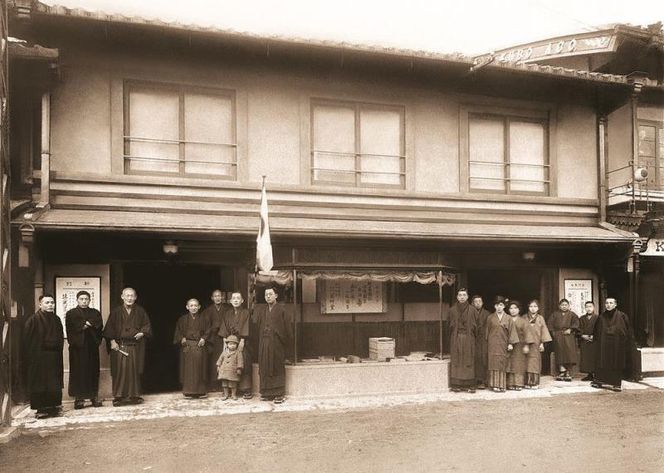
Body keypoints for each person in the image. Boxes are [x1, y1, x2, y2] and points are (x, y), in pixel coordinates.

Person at [102, 287, 152, 406]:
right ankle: (119, 396)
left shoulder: (140, 311)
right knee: (119, 371)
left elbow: (147, 325)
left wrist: (143, 332)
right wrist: (112, 341)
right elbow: (109, 328)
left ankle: (134, 395)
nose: (129, 298)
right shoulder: (116, 312)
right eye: (127, 296)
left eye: (132, 296)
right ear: (122, 297)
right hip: (119, 346)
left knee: (133, 371)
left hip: (135, 346)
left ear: (135, 297)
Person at [23, 294, 64, 419]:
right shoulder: (33, 320)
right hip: (39, 357)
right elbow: (27, 340)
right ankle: (40, 409)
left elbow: (60, 336)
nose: (50, 305)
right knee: (40, 383)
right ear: (40, 304)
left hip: (54, 357)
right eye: (47, 303)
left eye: (52, 302)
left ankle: (53, 407)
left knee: (54, 382)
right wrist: (33, 356)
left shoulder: (56, 319)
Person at [65, 290, 103, 409]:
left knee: (92, 371)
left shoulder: (95, 312)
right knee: (78, 372)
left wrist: (85, 325)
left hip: (92, 345)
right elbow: (71, 328)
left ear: (89, 300)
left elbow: (98, 325)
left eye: (86, 299)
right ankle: (79, 399)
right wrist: (86, 324)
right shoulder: (71, 313)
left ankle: (93, 397)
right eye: (81, 299)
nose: (84, 301)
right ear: (77, 300)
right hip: (78, 347)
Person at [253, 287, 292, 404]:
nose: (268, 296)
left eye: (270, 294)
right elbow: (258, 326)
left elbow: (288, 329)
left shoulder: (282, 310)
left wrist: (284, 342)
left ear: (276, 295)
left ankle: (279, 393)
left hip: (277, 343)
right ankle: (266, 392)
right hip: (264, 342)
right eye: (266, 295)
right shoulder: (262, 310)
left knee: (276, 366)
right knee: (264, 365)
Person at [592, 298, 634, 392]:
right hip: (603, 345)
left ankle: (616, 384)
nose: (608, 305)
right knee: (602, 361)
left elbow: (627, 330)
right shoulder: (601, 317)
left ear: (615, 304)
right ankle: (599, 381)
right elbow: (596, 331)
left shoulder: (622, 316)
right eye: (607, 303)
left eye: (611, 303)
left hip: (617, 344)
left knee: (616, 362)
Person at [174, 298, 211, 398]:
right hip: (188, 347)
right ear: (187, 307)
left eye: (195, 305)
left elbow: (208, 330)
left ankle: (201, 391)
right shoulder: (182, 319)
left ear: (199, 307)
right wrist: (181, 338)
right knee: (188, 370)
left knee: (200, 368)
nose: (193, 308)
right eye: (191, 306)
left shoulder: (204, 318)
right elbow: (178, 332)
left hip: (199, 346)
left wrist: (204, 338)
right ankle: (188, 391)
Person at [219, 291, 253, 399]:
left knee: (244, 363)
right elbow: (224, 328)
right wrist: (225, 341)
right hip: (229, 343)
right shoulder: (227, 313)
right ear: (230, 301)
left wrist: (242, 340)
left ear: (242, 300)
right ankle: (230, 390)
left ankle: (246, 389)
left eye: (238, 298)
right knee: (228, 365)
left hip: (242, 341)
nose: (236, 300)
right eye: (234, 298)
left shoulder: (246, 312)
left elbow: (247, 327)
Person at [485, 296, 518, 393]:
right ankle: (493, 385)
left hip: (503, 343)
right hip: (492, 344)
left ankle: (501, 385)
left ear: (504, 306)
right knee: (493, 363)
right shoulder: (490, 318)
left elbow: (512, 332)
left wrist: (510, 343)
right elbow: (487, 332)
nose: (499, 307)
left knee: (502, 363)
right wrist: (487, 342)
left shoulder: (508, 318)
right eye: (496, 305)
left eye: (501, 305)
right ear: (494, 306)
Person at [449, 288, 478, 393]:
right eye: (460, 295)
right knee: (457, 359)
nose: (462, 297)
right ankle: (456, 384)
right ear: (457, 297)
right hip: (456, 337)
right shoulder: (452, 310)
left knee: (468, 359)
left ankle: (469, 384)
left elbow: (477, 327)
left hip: (469, 338)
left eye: (464, 295)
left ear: (467, 297)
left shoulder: (473, 310)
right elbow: (449, 325)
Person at [201, 290, 227, 391]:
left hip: (223, 338)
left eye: (219, 296)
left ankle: (223, 384)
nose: (217, 298)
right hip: (212, 339)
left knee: (224, 360)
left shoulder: (227, 309)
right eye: (215, 296)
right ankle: (213, 384)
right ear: (212, 298)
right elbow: (204, 326)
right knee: (213, 362)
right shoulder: (208, 311)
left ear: (222, 297)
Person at [548, 298, 579, 381]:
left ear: (568, 306)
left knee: (569, 353)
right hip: (558, 336)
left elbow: (576, 323)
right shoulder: (554, 314)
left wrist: (571, 329)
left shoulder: (572, 314)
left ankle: (568, 372)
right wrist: (554, 333)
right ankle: (562, 371)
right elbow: (550, 325)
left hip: (569, 336)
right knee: (560, 353)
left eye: (566, 305)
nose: (564, 306)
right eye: (562, 305)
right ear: (559, 306)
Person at [522, 300, 552, 389]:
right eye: (531, 306)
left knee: (535, 363)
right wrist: (524, 344)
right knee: (526, 363)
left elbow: (544, 331)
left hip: (536, 343)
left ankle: (535, 383)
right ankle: (527, 382)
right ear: (528, 307)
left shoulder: (540, 318)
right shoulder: (524, 318)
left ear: (538, 308)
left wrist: (542, 343)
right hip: (526, 344)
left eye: (535, 306)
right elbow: (521, 332)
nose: (533, 308)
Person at [506, 301, 534, 391]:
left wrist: (526, 345)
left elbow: (527, 334)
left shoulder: (523, 321)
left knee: (519, 364)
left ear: (519, 309)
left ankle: (519, 383)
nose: (513, 310)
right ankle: (510, 383)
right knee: (509, 364)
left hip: (519, 345)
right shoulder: (506, 319)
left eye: (515, 308)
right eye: (511, 308)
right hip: (509, 345)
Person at [216, 334, 244, 400]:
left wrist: (239, 368)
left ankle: (233, 394)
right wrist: (218, 366)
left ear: (237, 345)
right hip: (224, 370)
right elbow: (220, 359)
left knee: (233, 384)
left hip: (232, 371)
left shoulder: (238, 353)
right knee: (224, 384)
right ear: (227, 345)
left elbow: (240, 361)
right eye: (230, 344)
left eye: (234, 344)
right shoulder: (224, 352)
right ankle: (226, 395)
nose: (232, 346)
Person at [471, 295, 490, 389]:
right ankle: (474, 380)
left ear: (482, 303)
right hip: (473, 339)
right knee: (474, 359)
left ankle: (483, 380)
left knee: (483, 359)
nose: (478, 303)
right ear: (473, 303)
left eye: (479, 301)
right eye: (476, 301)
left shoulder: (487, 314)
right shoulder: (469, 313)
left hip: (483, 340)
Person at [579, 301, 599, 382]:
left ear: (594, 308)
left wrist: (594, 336)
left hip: (595, 341)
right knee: (586, 358)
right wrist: (582, 335)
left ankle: (596, 375)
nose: (589, 308)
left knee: (595, 357)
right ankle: (589, 375)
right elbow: (578, 329)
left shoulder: (598, 318)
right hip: (584, 340)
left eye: (590, 306)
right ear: (585, 308)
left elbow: (600, 329)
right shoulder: (581, 318)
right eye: (587, 307)